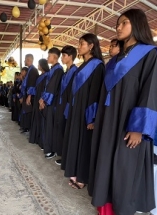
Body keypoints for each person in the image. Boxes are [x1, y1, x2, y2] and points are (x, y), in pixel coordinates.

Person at [88, 9, 157, 215]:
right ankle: (106, 206)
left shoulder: (148, 54)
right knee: (106, 161)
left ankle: (122, 209)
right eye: (118, 23)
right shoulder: (114, 60)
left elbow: (151, 92)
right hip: (108, 119)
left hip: (128, 121)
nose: (118, 27)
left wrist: (139, 128)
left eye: (124, 23)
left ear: (137, 25)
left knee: (124, 166)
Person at [61, 33, 105, 190]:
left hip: (86, 110)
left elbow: (95, 93)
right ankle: (75, 171)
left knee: (84, 143)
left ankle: (83, 177)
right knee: (76, 141)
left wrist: (91, 117)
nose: (79, 47)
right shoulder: (83, 65)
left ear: (91, 46)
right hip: (76, 109)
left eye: (82, 44)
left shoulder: (98, 65)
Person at [53, 46, 78, 165]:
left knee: (67, 131)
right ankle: (63, 155)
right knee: (61, 130)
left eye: (64, 56)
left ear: (70, 57)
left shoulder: (75, 72)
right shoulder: (66, 72)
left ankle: (67, 158)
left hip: (69, 106)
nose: (62, 58)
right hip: (62, 105)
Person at [39, 48, 64, 158]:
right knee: (47, 125)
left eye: (49, 56)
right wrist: (41, 98)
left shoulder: (58, 70)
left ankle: (51, 149)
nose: (47, 58)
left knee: (50, 126)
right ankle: (47, 145)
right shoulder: (52, 69)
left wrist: (44, 100)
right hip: (48, 101)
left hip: (53, 103)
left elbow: (52, 88)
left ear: (54, 57)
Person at [29, 59, 50, 145]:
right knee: (36, 117)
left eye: (38, 64)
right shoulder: (40, 75)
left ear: (42, 65)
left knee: (41, 119)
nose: (37, 66)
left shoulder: (47, 75)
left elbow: (46, 89)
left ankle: (41, 139)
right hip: (37, 98)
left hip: (42, 99)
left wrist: (42, 100)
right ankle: (36, 137)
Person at [20, 54, 39, 133]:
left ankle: (29, 128)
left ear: (28, 60)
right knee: (26, 111)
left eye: (25, 60)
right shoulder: (30, 70)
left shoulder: (33, 70)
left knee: (29, 112)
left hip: (31, 95)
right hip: (26, 94)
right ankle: (25, 127)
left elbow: (32, 84)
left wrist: (29, 96)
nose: (24, 61)